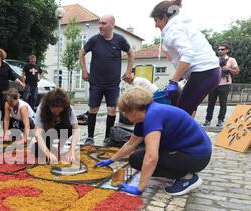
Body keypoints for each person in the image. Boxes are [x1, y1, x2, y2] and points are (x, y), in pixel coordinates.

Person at [95, 87, 212, 196]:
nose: (124, 115)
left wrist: (140, 188)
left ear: (134, 110)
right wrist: (111, 160)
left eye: (125, 112)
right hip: (186, 151)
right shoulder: (146, 115)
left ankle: (187, 177)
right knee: (135, 159)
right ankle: (178, 171)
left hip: (196, 156)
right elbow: (131, 144)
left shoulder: (152, 116)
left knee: (142, 159)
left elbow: (151, 157)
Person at [151, 0, 220, 118]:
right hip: (208, 72)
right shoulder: (181, 25)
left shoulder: (174, 29)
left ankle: (184, 135)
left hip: (204, 72)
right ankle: (191, 134)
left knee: (180, 113)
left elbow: (188, 54)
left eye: (156, 20)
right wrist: (179, 77)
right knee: (185, 111)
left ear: (164, 17)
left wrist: (173, 81)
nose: (156, 25)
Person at [79, 15, 135, 146]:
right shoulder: (94, 40)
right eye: (99, 23)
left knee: (111, 110)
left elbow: (131, 53)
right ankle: (90, 137)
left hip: (113, 83)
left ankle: (107, 137)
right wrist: (84, 70)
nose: (100, 26)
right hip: (96, 82)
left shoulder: (120, 40)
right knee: (93, 109)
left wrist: (128, 71)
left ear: (112, 25)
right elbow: (82, 53)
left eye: (103, 23)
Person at [34, 88, 80, 163]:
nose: (57, 114)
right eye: (55, 111)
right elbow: (37, 133)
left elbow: (76, 130)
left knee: (68, 127)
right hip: (47, 130)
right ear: (49, 107)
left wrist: (71, 150)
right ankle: (48, 146)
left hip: (62, 129)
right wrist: (47, 152)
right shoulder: (41, 108)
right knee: (39, 152)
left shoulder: (68, 108)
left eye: (59, 111)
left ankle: (61, 146)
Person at [0, 48, 25, 129]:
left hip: (5, 91)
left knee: (5, 107)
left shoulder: (6, 66)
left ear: (2, 57)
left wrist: (21, 83)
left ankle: (5, 123)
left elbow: (13, 77)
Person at [204, 43, 240, 127]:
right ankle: (207, 120)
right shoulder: (214, 59)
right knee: (210, 103)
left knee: (223, 103)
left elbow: (237, 72)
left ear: (227, 50)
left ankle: (220, 120)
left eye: (222, 49)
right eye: (219, 49)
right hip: (213, 84)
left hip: (225, 84)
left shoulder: (231, 60)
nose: (220, 51)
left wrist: (229, 69)